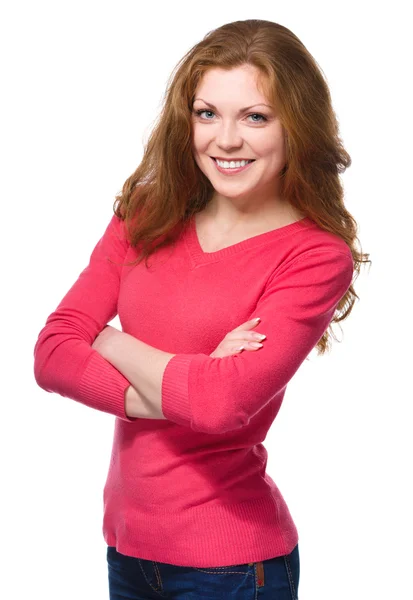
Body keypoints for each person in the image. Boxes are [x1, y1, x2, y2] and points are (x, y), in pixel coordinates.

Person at [33, 18, 370, 600]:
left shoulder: (313, 255)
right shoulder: (146, 211)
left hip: (234, 568)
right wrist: (187, 382)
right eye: (207, 113)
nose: (226, 139)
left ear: (298, 126)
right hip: (127, 548)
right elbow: (52, 353)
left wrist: (109, 340)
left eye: (255, 117)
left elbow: (222, 405)